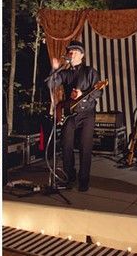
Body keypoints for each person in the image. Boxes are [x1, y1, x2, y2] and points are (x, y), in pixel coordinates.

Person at [47, 39, 103, 191]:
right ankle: (69, 176)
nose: (71, 53)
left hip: (87, 114)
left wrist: (82, 94)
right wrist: (55, 69)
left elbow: (98, 91)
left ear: (82, 55)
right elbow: (51, 84)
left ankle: (84, 180)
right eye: (70, 51)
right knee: (66, 145)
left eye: (75, 51)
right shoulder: (65, 73)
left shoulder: (90, 71)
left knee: (85, 147)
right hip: (70, 114)